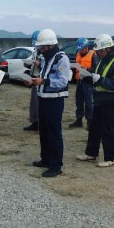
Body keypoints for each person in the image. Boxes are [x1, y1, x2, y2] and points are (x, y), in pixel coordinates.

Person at [26, 28, 70, 178]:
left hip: (55, 101)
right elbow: (44, 76)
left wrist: (43, 81)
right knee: (43, 131)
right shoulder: (46, 58)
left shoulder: (61, 59)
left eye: (43, 47)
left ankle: (56, 165)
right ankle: (46, 159)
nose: (41, 50)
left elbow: (63, 81)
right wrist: (34, 82)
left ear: (51, 45)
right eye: (39, 47)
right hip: (43, 98)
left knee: (54, 133)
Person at [77, 34, 114, 167]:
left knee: (108, 129)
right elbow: (96, 79)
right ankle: (91, 153)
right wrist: (87, 77)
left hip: (110, 101)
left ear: (108, 49)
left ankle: (110, 158)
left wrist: (100, 79)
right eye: (98, 51)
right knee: (94, 128)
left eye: (100, 51)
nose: (98, 53)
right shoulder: (101, 61)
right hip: (99, 100)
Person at [68, 37, 98, 130]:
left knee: (89, 102)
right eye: (79, 49)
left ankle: (90, 121)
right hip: (80, 81)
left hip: (88, 82)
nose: (80, 51)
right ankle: (79, 120)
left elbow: (96, 68)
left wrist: (87, 70)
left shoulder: (93, 54)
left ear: (86, 47)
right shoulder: (78, 54)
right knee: (79, 101)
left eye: (82, 49)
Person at [23, 30, 43, 131]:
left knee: (39, 103)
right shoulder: (35, 52)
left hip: (41, 80)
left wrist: (39, 65)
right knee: (33, 103)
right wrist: (28, 64)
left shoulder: (46, 54)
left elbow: (46, 68)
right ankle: (34, 122)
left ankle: (40, 123)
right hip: (34, 79)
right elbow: (33, 64)